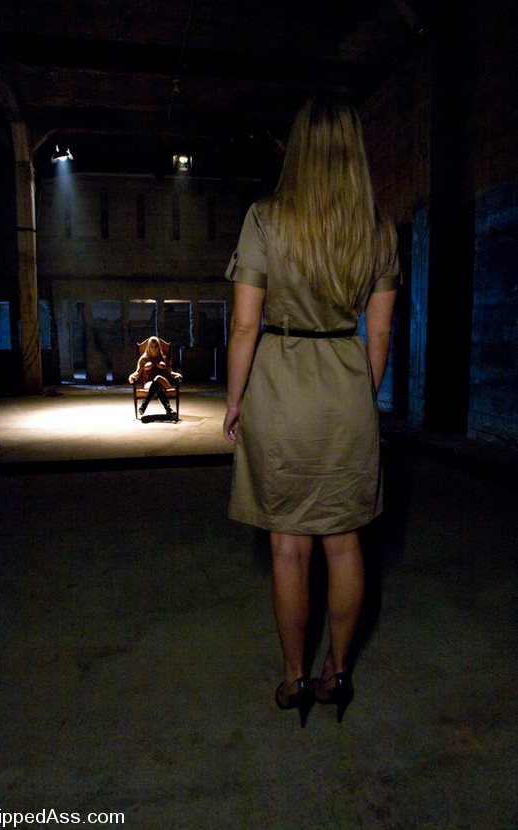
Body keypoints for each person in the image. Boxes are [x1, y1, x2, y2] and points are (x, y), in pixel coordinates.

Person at [222, 94, 400, 727]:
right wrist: (358, 399)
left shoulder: (265, 220)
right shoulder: (378, 230)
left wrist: (235, 401)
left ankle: (294, 678)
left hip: (280, 388)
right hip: (346, 387)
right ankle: (338, 673)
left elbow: (246, 326)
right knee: (345, 545)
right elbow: (380, 334)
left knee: (288, 547)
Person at [128, 336, 182, 418]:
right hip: (149, 384)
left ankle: (144, 404)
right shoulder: (143, 359)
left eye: (156, 346)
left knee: (158, 378)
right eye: (152, 346)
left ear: (159, 347)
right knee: (157, 387)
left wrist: (177, 375)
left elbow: (170, 373)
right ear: (148, 347)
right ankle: (169, 409)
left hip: (164, 383)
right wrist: (132, 376)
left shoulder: (164, 359)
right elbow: (137, 372)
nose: (154, 348)